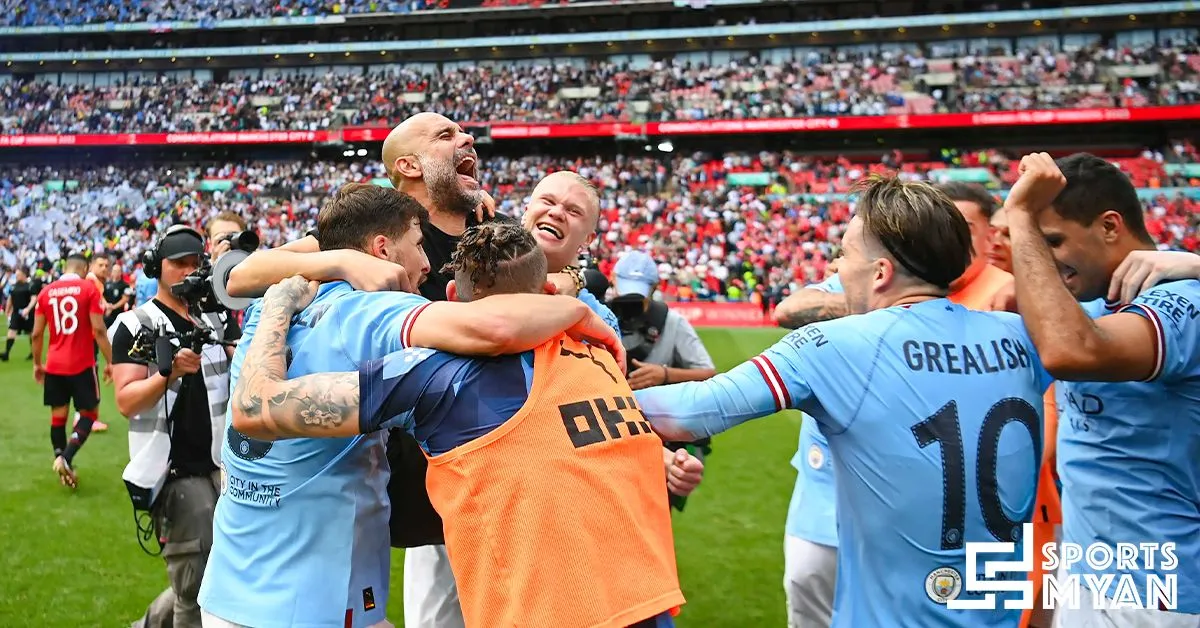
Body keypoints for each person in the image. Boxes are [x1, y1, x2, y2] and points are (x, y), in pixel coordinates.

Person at [199, 184, 625, 628]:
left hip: (232, 582)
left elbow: (243, 277)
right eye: (419, 245)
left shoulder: (276, 305)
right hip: (306, 602)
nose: (426, 263)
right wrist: (577, 311)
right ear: (383, 249)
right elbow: (493, 328)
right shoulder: (374, 312)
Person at [637, 176, 1054, 628]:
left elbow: (692, 411)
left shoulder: (837, 344)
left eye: (844, 254)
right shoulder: (1024, 334)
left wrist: (591, 385)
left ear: (880, 273)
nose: (837, 267)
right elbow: (1095, 326)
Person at [769, 181, 1020, 626]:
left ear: (990, 233)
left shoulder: (1008, 296)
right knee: (810, 594)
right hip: (827, 492)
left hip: (943, 507)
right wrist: (887, 307)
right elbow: (789, 310)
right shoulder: (877, 276)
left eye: (963, 225)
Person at [1004, 152, 1200, 625]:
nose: (1044, 258)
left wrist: (1020, 216)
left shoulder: (1183, 302)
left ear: (1110, 226)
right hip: (1091, 577)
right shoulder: (1089, 306)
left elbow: (1070, 352)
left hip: (1159, 594)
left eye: (1053, 240)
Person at [109, 225, 241, 628]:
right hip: (175, 471)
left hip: (222, 463)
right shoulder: (135, 324)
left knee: (226, 572)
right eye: (177, 263)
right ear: (157, 267)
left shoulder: (214, 316)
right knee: (193, 585)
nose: (186, 271)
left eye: (193, 262)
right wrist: (168, 374)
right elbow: (125, 400)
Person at [31, 253, 114, 488]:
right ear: (85, 268)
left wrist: (37, 364)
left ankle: (60, 458)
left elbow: (36, 334)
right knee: (89, 415)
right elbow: (99, 330)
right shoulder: (88, 289)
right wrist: (111, 362)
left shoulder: (46, 292)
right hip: (82, 364)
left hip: (54, 365)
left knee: (58, 417)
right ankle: (66, 458)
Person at [2, 266, 34, 361]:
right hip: (16, 313)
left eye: (18, 275)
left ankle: (33, 352)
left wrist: (28, 309)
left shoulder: (30, 286)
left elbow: (33, 298)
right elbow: (10, 299)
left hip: (27, 314)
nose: (16, 276)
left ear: (24, 275)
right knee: (11, 330)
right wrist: (7, 310)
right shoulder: (14, 286)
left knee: (31, 332)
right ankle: (6, 353)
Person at [103, 261, 133, 328]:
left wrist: (113, 307)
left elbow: (125, 299)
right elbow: (102, 296)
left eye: (117, 271)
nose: (115, 272)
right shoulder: (107, 284)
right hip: (107, 314)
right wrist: (107, 305)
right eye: (114, 271)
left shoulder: (125, 285)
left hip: (118, 314)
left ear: (120, 272)